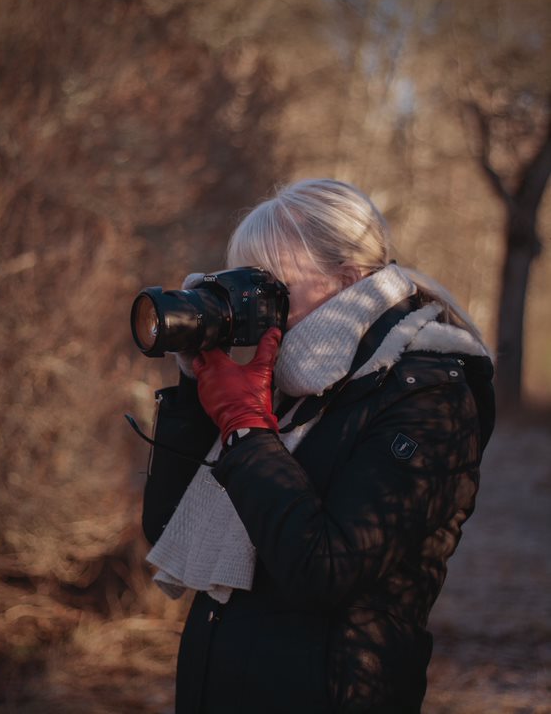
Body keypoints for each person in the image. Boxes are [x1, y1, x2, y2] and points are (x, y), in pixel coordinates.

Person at [141, 178, 495, 714]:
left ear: (347, 280)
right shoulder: (284, 381)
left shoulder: (430, 398)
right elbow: (167, 526)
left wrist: (246, 430)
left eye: (271, 284)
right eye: (243, 281)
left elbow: (327, 568)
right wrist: (198, 392)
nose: (253, 302)